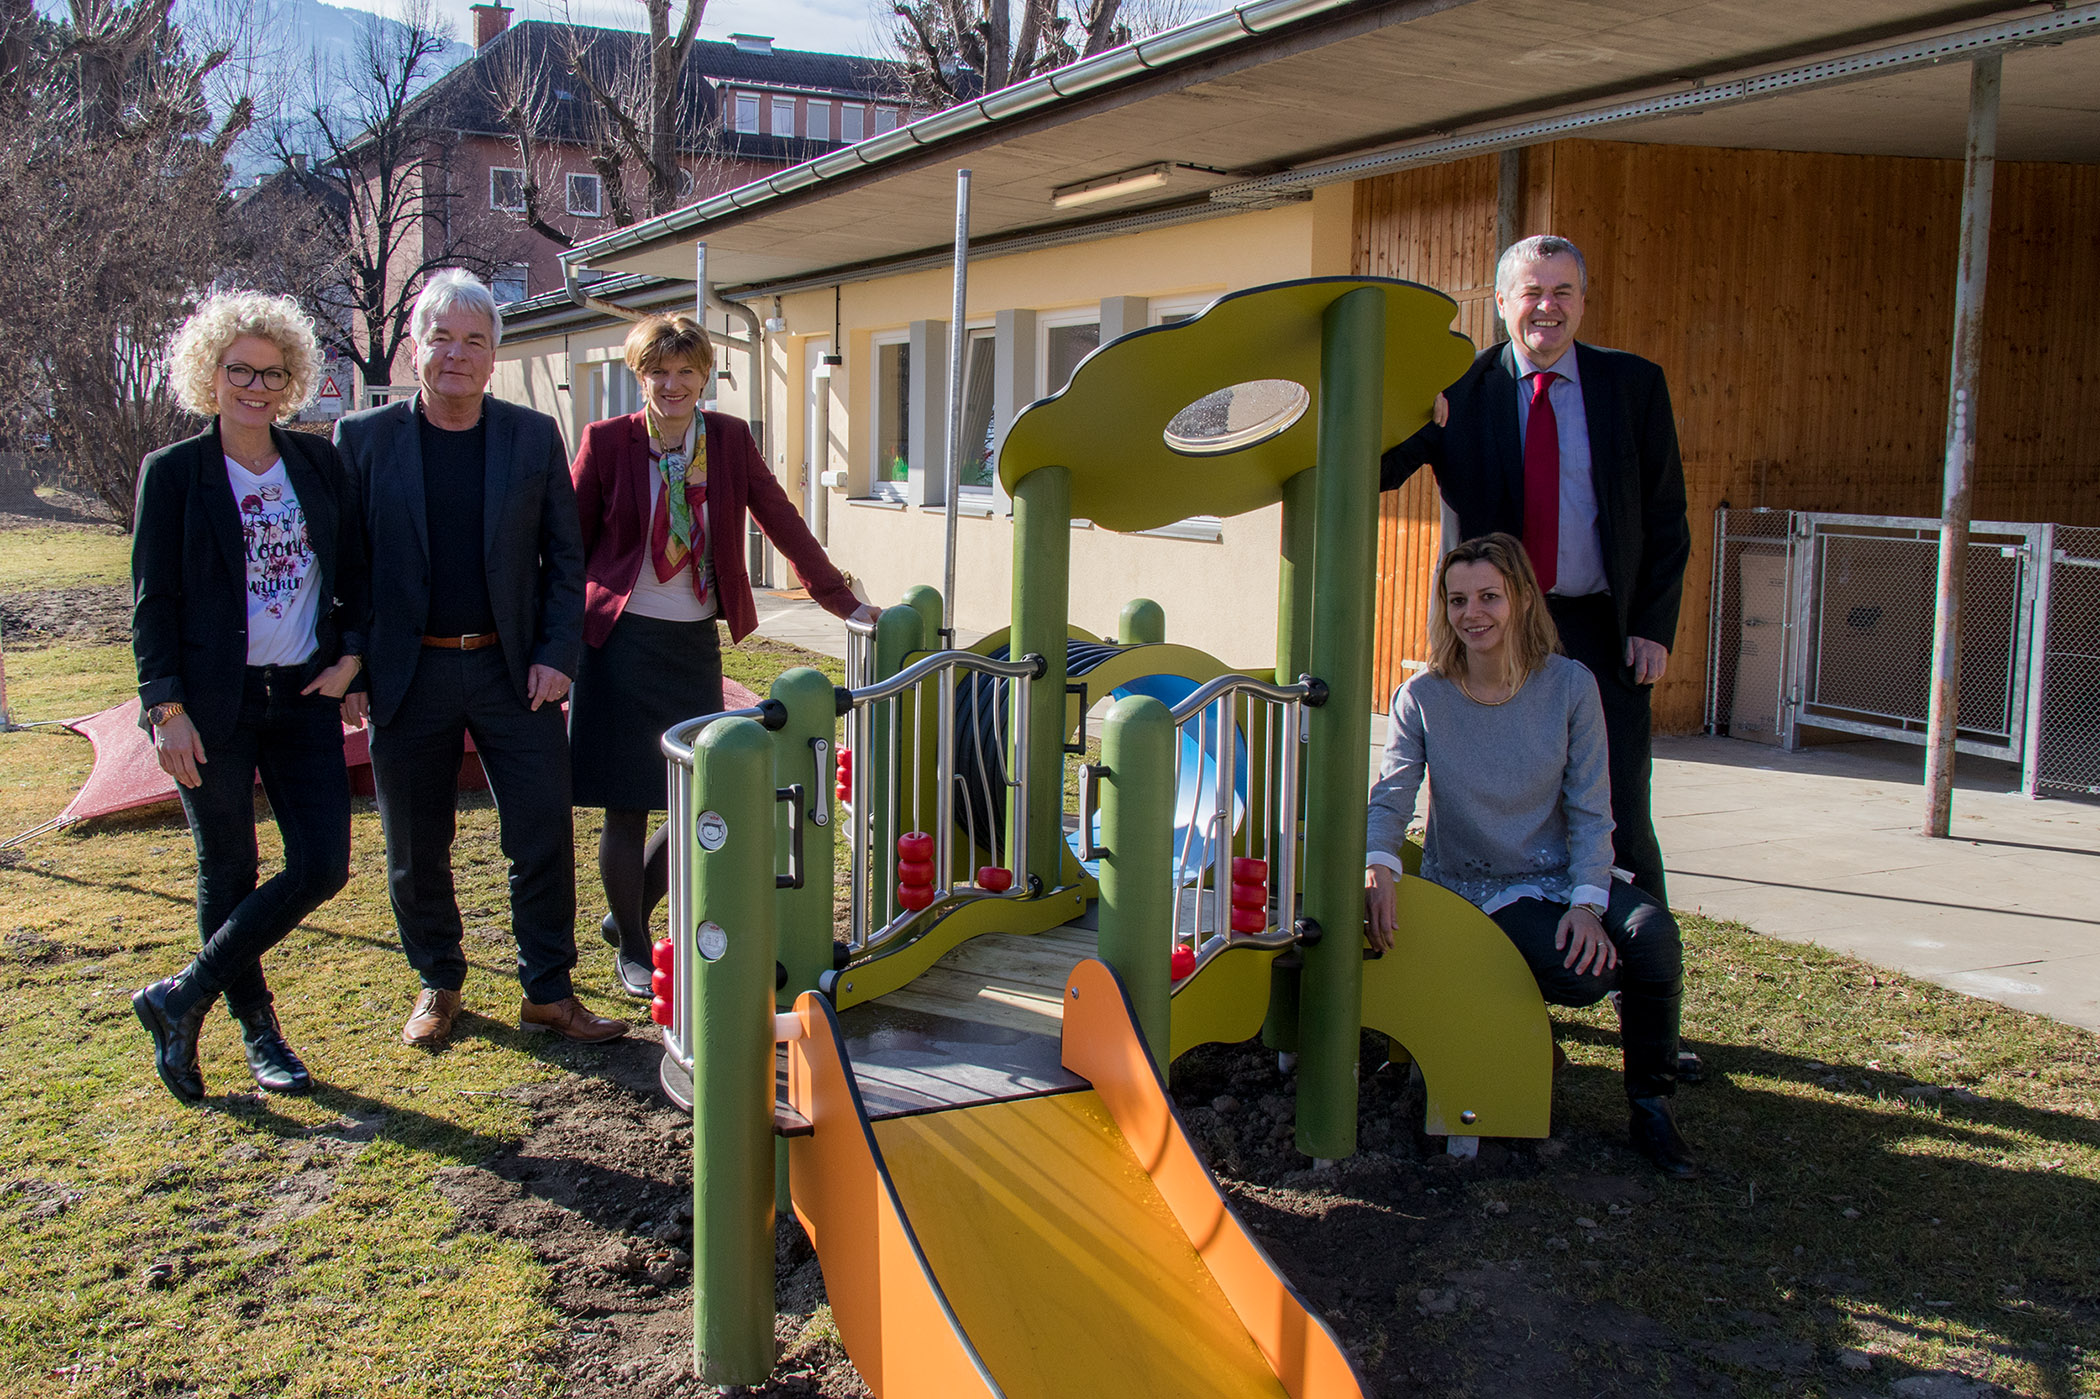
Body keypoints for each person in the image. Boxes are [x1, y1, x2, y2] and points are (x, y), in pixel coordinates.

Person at [334, 270, 624, 1049]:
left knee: (540, 831)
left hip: (513, 670)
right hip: (408, 672)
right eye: (442, 338)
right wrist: (353, 663)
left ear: (495, 354)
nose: (456, 354)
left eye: (474, 340)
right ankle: (439, 980)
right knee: (416, 843)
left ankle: (548, 990)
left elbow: (566, 560)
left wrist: (558, 654)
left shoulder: (532, 436)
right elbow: (347, 563)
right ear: (413, 348)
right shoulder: (362, 441)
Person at [1363, 534, 1695, 1179]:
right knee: (1583, 977)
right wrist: (1380, 862)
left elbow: (1592, 809)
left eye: (1488, 595)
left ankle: (1651, 1107)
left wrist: (1588, 903)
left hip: (1558, 870)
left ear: (1519, 599)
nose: (1472, 613)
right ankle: (1529, 1039)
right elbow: (1392, 794)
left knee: (1653, 939)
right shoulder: (1423, 696)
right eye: (1457, 599)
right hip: (1479, 882)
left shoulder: (1569, 686)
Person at [569, 313, 877, 994]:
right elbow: (565, 543)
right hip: (617, 643)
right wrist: (551, 646)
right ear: (639, 374)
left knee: (692, 799)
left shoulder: (731, 441)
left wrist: (842, 601)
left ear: (704, 375)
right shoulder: (607, 441)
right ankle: (631, 946)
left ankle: (627, 920)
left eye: (685, 371)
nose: (671, 384)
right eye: (658, 371)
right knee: (627, 803)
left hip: (689, 644)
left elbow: (782, 520)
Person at [1381, 234, 1689, 904]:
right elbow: (1376, 469)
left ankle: (1639, 969)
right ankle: (1507, 965)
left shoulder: (1634, 387)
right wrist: (1401, 403)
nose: (1546, 306)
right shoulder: (1460, 391)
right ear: (1501, 302)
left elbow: (1667, 518)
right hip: (1494, 632)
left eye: (1562, 291)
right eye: (1531, 292)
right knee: (1486, 815)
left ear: (1581, 302)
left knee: (1621, 815)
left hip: (1602, 630)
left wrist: (1652, 627)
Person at [130, 291, 368, 1104]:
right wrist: (164, 709)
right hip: (208, 706)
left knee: (323, 864)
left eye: (272, 372)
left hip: (301, 694)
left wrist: (353, 659)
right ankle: (259, 1031)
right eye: (240, 370)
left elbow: (357, 574)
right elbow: (151, 603)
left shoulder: (318, 462)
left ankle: (180, 995)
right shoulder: (174, 475)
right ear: (211, 372)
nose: (256, 386)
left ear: (294, 378)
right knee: (229, 867)